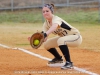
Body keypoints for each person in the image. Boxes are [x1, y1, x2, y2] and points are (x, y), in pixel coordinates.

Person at [41, 4, 82, 69]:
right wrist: (36, 39)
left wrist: (46, 33)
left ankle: (69, 63)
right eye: (43, 12)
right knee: (46, 44)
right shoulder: (45, 24)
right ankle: (58, 59)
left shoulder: (56, 19)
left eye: (47, 11)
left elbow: (54, 26)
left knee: (61, 40)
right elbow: (44, 38)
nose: (45, 13)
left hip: (75, 37)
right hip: (64, 38)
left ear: (51, 12)